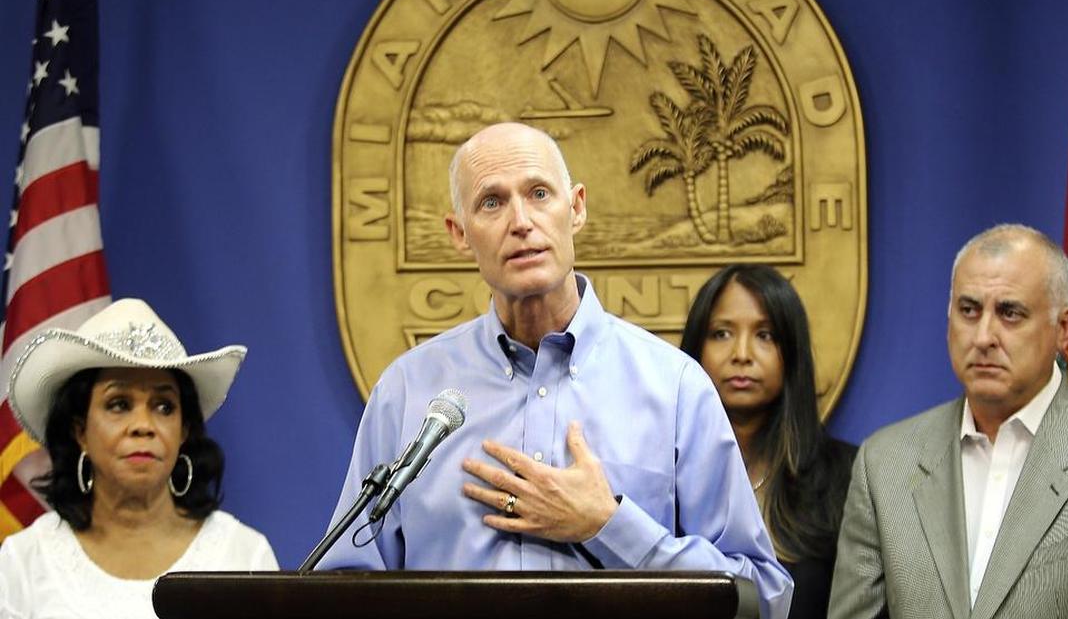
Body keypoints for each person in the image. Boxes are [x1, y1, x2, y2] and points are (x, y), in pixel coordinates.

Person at [318, 122, 793, 617]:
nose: (520, 221)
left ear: (577, 207)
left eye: (539, 193)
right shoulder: (409, 391)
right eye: (491, 202)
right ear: (459, 234)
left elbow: (761, 596)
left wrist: (607, 525)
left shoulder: (675, 386)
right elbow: (342, 585)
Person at [828, 224, 1068, 619]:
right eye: (969, 311)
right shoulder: (885, 462)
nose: (983, 337)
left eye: (1010, 313)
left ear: (1063, 330)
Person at [0, 299, 278, 619]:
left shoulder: (244, 557)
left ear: (184, 430)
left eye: (164, 407)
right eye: (118, 404)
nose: (144, 426)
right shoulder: (23, 562)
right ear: (79, 430)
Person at [680, 264, 856, 619]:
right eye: (721, 333)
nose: (741, 354)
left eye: (765, 335)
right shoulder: (662, 476)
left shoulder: (847, 476)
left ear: (791, 352)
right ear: (695, 349)